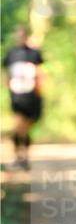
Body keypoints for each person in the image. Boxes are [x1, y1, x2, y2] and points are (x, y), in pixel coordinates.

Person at [3, 25, 44, 170]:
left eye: (22, 35)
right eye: (17, 35)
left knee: (26, 128)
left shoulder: (34, 53)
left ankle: (25, 156)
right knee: (17, 125)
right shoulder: (11, 54)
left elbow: (40, 73)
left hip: (31, 96)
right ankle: (17, 156)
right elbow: (6, 72)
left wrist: (40, 92)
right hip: (17, 96)